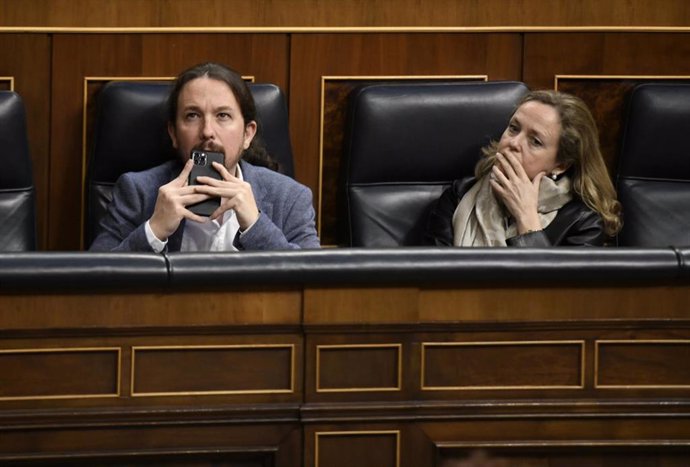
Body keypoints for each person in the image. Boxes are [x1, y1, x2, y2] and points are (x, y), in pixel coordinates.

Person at [90, 62, 320, 252]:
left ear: (248, 134)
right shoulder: (137, 191)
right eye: (192, 115)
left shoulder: (290, 198)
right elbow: (96, 280)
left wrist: (255, 225)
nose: (207, 131)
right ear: (174, 133)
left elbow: (313, 282)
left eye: (223, 115)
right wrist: (154, 230)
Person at [423, 89, 621, 247]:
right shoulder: (459, 195)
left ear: (561, 165)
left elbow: (558, 296)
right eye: (514, 128)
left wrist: (526, 218)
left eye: (535, 141)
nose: (514, 143)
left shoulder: (584, 222)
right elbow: (432, 279)